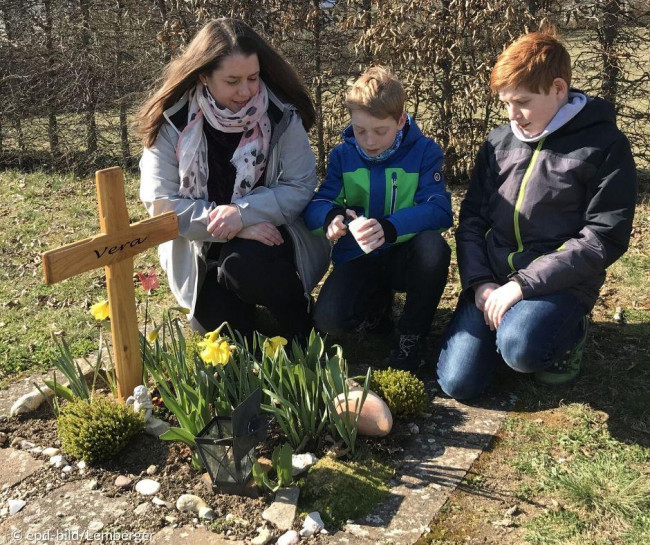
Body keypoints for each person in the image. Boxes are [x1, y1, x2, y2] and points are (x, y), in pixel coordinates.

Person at [437, 32, 637, 398]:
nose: (512, 115)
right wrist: (480, 282)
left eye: (522, 102)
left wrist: (522, 285)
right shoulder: (498, 143)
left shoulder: (605, 145)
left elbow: (603, 237)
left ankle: (567, 334)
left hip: (561, 283)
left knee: (520, 347)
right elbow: (471, 222)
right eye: (505, 103)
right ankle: (511, 333)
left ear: (558, 88)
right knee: (458, 384)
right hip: (495, 279)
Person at [138, 18, 330, 343]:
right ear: (203, 76)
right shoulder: (172, 122)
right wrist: (231, 222)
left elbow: (300, 185)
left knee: (244, 265)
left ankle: (298, 323)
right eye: (232, 81)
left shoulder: (281, 115)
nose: (246, 91)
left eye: (253, 78)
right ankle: (246, 318)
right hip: (201, 247)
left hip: (270, 241)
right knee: (227, 344)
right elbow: (161, 204)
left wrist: (243, 213)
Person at [303, 67, 453, 371]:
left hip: (404, 255)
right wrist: (331, 217)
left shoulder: (425, 152)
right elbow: (317, 203)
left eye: (380, 131)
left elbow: (439, 209)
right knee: (329, 320)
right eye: (360, 130)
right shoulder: (342, 155)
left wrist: (390, 227)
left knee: (434, 248)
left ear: (400, 121)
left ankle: (412, 334)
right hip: (359, 255)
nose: (369, 141)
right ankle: (377, 307)